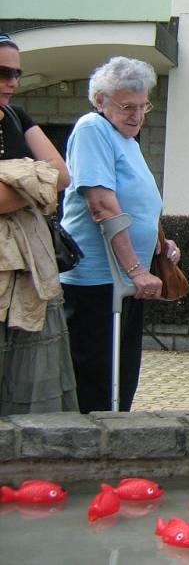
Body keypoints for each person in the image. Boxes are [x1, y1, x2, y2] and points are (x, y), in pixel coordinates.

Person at [60, 56, 181, 413]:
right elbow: (102, 205)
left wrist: (160, 243)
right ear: (100, 101)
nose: (137, 115)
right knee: (99, 388)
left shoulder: (126, 138)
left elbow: (139, 205)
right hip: (97, 284)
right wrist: (136, 270)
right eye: (128, 106)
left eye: (143, 106)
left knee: (122, 381)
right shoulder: (92, 130)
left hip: (122, 284)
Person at [0, 32, 78, 415]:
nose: (11, 82)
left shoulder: (17, 116)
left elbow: (61, 176)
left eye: (16, 73)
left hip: (31, 270)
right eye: (1, 72)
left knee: (29, 382)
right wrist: (33, 179)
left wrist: (14, 178)